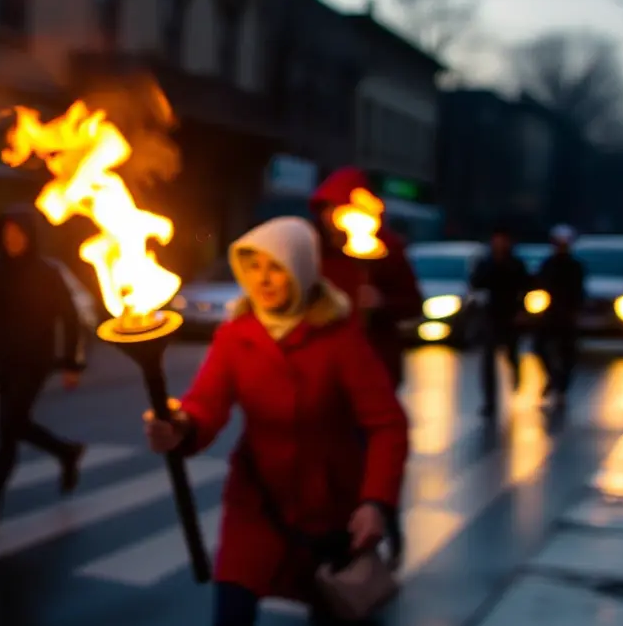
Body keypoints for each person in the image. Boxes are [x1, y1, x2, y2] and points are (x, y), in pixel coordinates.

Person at [144, 216, 409, 626]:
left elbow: (387, 424)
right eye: (253, 267)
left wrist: (375, 502)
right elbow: (206, 405)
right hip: (257, 506)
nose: (263, 280)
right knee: (231, 611)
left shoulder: (339, 336)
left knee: (334, 614)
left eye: (276, 268)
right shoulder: (235, 335)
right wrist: (181, 426)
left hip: (331, 511)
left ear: (300, 271)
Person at [0, 205, 87, 538]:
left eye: (18, 233)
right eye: (6, 233)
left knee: (8, 430)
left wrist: (71, 363)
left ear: (30, 236)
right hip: (5, 361)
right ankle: (66, 451)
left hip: (36, 361)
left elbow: (70, 318)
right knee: (16, 426)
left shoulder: (47, 272)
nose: (12, 239)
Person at [308, 166, 423, 389]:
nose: (329, 216)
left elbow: (413, 305)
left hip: (375, 365)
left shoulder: (388, 250)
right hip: (326, 370)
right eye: (326, 209)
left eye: (338, 207)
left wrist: (382, 303)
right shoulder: (313, 250)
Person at [469, 227, 531, 417]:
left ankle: (516, 374)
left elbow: (525, 287)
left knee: (510, 352)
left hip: (510, 314)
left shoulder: (515, 264)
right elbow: (476, 282)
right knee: (488, 359)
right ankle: (490, 402)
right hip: (490, 314)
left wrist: (522, 311)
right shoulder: (486, 262)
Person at [533, 225, 586, 405]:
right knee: (540, 348)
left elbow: (579, 291)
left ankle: (561, 385)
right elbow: (537, 285)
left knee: (567, 353)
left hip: (567, 315)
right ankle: (554, 378)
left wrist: (576, 310)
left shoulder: (575, 266)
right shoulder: (548, 264)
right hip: (549, 314)